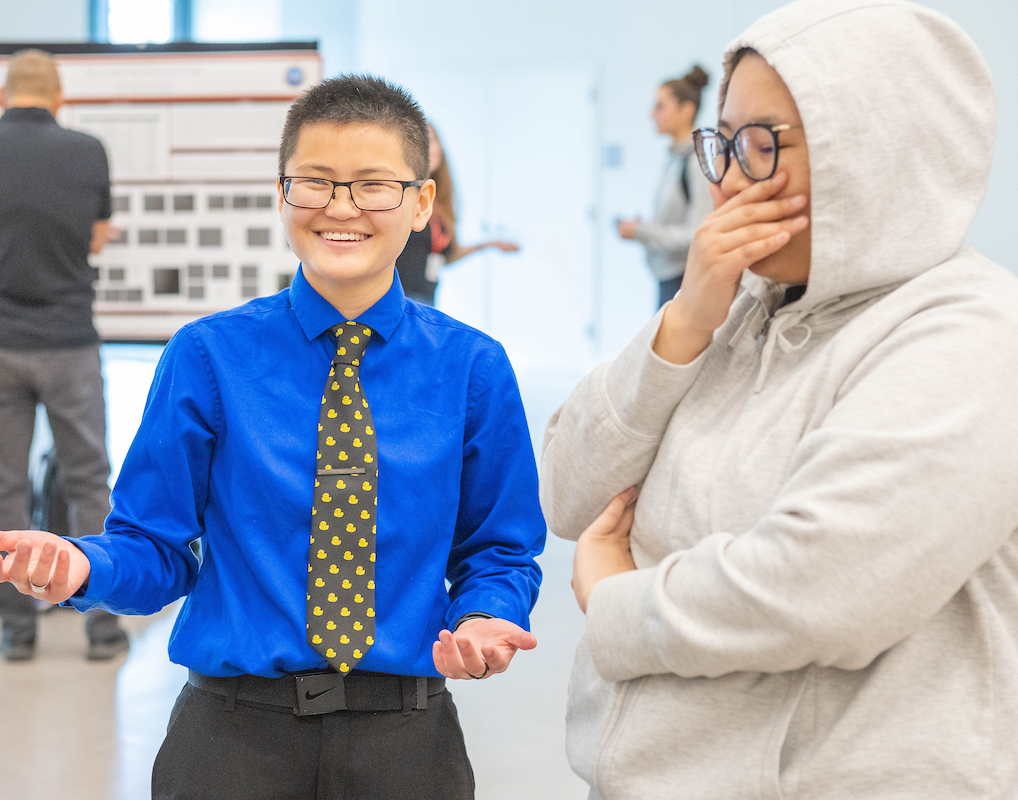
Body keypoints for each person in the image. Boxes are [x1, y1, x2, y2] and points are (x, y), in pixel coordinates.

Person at [0, 75, 546, 800]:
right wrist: (80, 566)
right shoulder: (209, 357)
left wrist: (488, 616)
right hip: (232, 743)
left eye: (373, 185)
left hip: (406, 745)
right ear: (284, 194)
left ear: (421, 202)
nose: (341, 208)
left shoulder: (473, 369)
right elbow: (156, 548)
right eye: (315, 184)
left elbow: (499, 547)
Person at [541, 1, 1018, 797]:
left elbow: (822, 588)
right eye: (723, 143)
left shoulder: (971, 333)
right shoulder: (738, 309)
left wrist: (614, 596)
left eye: (762, 145)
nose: (728, 179)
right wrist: (683, 325)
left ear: (873, 148)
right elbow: (564, 491)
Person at [0, 49, 126, 662]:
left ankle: (16, 628)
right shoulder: (87, 150)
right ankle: (101, 626)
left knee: (2, 487)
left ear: (3, 94)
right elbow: (97, 238)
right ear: (59, 98)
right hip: (68, 342)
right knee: (88, 480)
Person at [617, 65, 711, 309]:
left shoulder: (696, 163)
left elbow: (698, 236)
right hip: (669, 278)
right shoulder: (675, 159)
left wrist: (643, 232)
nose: (652, 115)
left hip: (684, 282)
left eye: (660, 106)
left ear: (686, 110)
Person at [394, 125, 519, 305]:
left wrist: (488, 244)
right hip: (398, 301)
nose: (428, 148)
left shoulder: (439, 205)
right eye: (419, 142)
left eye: (433, 141)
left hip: (426, 303)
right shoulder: (399, 196)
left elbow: (448, 255)